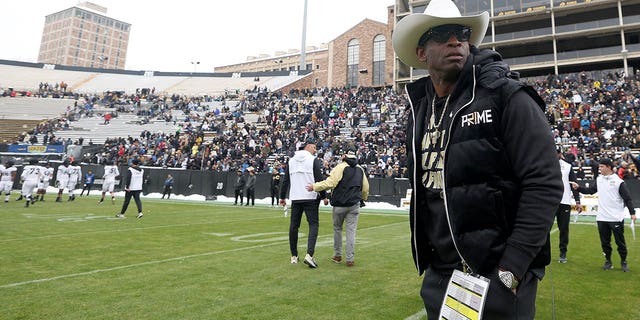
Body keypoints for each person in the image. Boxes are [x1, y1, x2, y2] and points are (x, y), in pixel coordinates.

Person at [391, 0, 563, 318]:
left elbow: (545, 182)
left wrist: (511, 268)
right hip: (443, 275)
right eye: (442, 34)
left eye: (462, 33)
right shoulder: (418, 110)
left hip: (498, 277)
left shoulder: (507, 96)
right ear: (421, 52)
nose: (455, 40)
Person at [571, 158, 636, 272]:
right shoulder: (599, 179)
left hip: (616, 217)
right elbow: (591, 191)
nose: (599, 168)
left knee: (620, 242)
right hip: (601, 217)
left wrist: (632, 213)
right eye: (599, 166)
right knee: (605, 243)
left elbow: (628, 198)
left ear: (609, 168)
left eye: (602, 166)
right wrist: (579, 188)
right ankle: (608, 261)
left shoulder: (618, 181)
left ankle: (623, 262)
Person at [306, 150, 369, 267]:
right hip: (354, 205)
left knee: (337, 229)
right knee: (351, 232)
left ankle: (338, 255)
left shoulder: (340, 167)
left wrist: (315, 187)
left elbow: (330, 183)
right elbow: (365, 187)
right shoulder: (360, 169)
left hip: (339, 205)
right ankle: (350, 259)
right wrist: (364, 198)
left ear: (343, 157)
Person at [280, 139, 328, 268]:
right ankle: (309, 254)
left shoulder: (291, 160)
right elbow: (319, 180)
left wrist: (282, 197)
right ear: (308, 146)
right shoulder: (313, 160)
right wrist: (324, 196)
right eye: (314, 147)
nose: (315, 150)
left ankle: (294, 256)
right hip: (311, 197)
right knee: (313, 225)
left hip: (296, 197)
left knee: (294, 226)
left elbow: (285, 181)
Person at [556, 149, 582, 263]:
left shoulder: (567, 166)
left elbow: (574, 184)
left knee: (564, 229)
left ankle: (563, 252)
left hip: (564, 201)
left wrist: (577, 201)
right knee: (544, 228)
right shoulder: (544, 164)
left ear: (560, 154)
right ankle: (542, 252)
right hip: (549, 201)